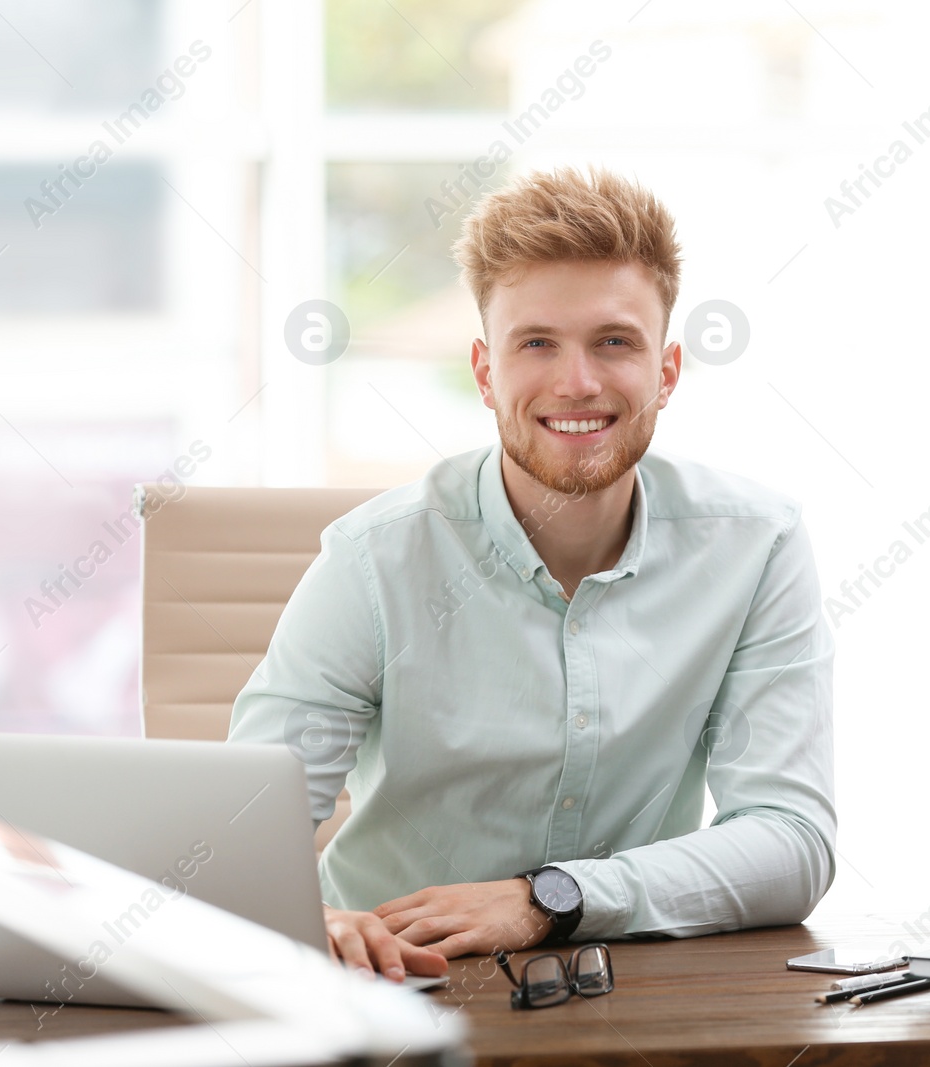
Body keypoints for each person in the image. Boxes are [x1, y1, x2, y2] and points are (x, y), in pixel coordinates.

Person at [228, 165, 836, 983]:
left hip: (628, 999)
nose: (576, 381)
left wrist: (550, 897)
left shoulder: (757, 547)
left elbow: (793, 839)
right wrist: (308, 919)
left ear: (667, 370)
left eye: (614, 341)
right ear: (485, 372)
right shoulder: (372, 562)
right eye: (537, 342)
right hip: (397, 991)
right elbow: (229, 845)